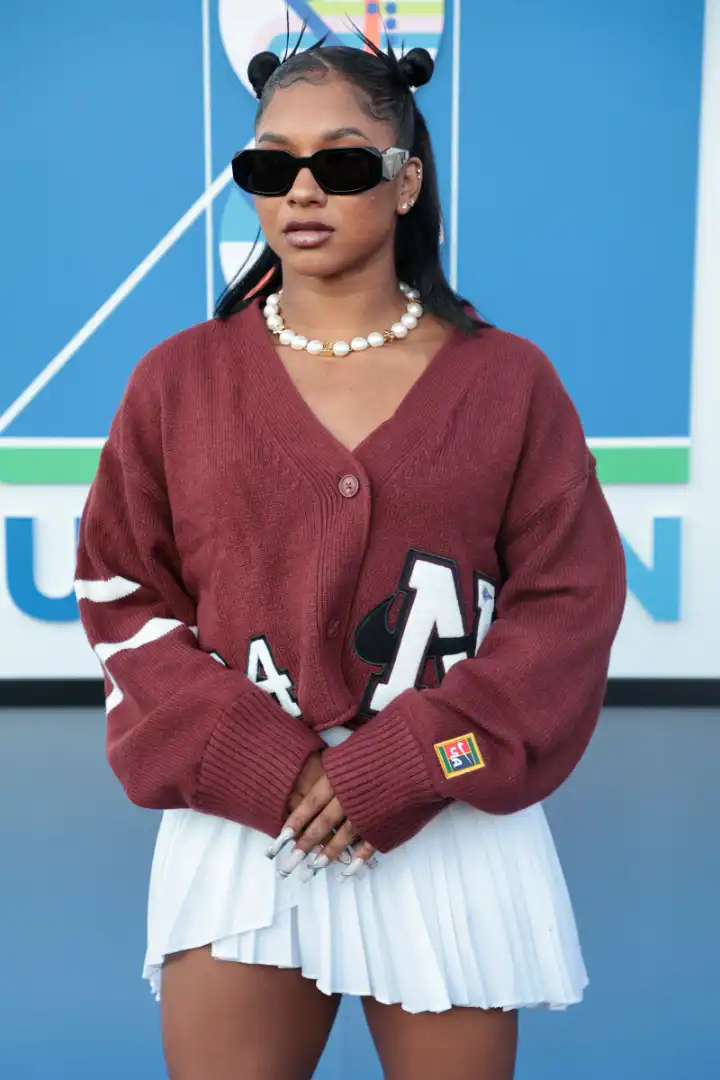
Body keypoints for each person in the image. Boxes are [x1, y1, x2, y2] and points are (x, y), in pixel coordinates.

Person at [74, 31, 627, 1080]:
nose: (302, 190)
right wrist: (256, 759)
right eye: (269, 165)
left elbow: (569, 609)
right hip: (245, 827)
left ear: (406, 181)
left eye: (341, 161)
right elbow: (120, 593)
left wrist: (416, 759)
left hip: (452, 816)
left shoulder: (510, 383)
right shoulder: (176, 382)